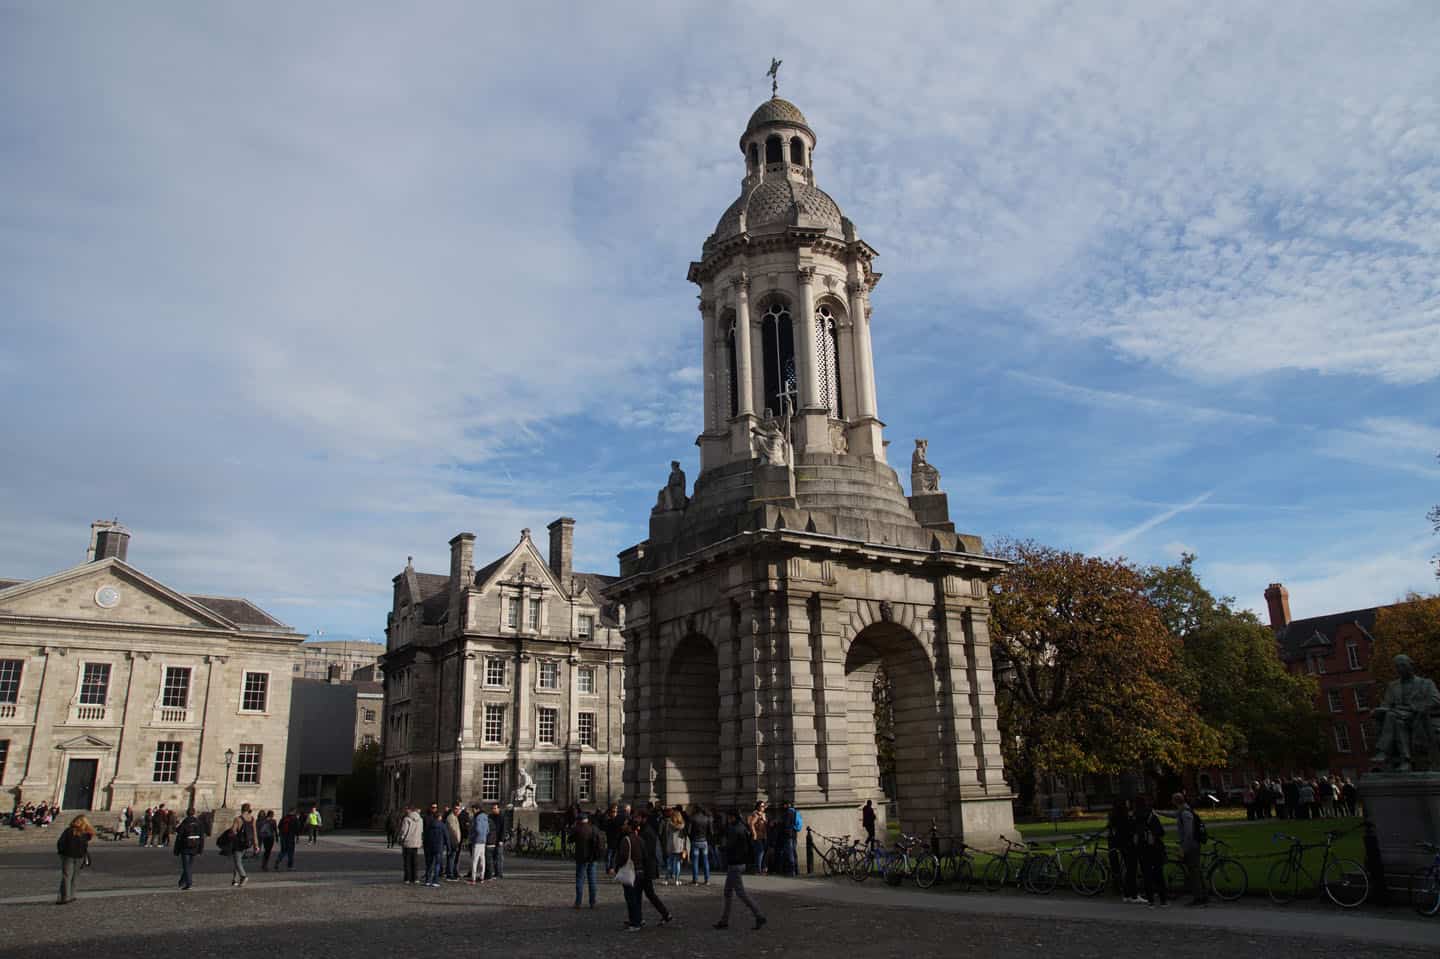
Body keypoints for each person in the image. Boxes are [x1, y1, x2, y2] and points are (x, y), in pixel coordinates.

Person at [714, 808, 766, 930]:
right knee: (728, 891)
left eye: (729, 817)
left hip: (735, 864)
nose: (728, 819)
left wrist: (722, 848)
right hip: (739, 863)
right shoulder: (742, 827)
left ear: (732, 817)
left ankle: (759, 915)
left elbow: (730, 846)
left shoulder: (734, 829)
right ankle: (724, 920)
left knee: (741, 893)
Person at [1167, 792, 1207, 906]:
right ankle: (1203, 895)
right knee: (1196, 871)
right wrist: (1157, 812)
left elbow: (1189, 833)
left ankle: (1198, 897)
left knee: (1194, 872)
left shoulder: (1185, 813)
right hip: (1192, 845)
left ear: (1175, 801)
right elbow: (1172, 815)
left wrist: (1183, 848)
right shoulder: (1183, 811)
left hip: (1191, 846)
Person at [1133, 796, 1167, 907]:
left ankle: (1151, 900)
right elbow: (1160, 832)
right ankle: (1163, 900)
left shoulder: (1134, 817)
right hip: (1154, 848)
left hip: (1142, 848)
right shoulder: (1151, 816)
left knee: (1146, 875)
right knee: (1158, 873)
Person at [55, 814, 95, 904]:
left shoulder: (69, 831)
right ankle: (72, 895)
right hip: (80, 856)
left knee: (67, 876)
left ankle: (65, 897)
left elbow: (60, 842)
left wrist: (61, 852)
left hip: (68, 856)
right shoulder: (86, 833)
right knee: (74, 876)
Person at [1107, 799, 1138, 902]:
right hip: (1127, 845)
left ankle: (1126, 893)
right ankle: (1132, 894)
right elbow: (1130, 830)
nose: (1129, 804)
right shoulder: (1123, 818)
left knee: (1123, 869)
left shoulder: (1114, 816)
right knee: (1130, 870)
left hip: (1119, 845)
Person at [571, 809, 601, 908]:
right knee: (592, 880)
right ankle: (592, 902)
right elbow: (599, 843)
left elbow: (569, 840)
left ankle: (578, 902)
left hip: (581, 858)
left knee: (580, 880)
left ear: (579, 820)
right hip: (592, 857)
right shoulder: (594, 828)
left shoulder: (577, 829)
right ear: (587, 819)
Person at [174, 808, 204, 891]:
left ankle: (189, 883)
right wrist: (200, 849)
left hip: (185, 846)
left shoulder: (185, 822)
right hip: (195, 846)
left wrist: (176, 850)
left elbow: (179, 836)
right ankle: (181, 882)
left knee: (186, 866)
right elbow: (202, 837)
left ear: (187, 813)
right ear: (194, 813)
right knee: (189, 865)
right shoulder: (199, 823)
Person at [422, 803, 449, 887]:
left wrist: (425, 845)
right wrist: (449, 847)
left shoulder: (429, 825)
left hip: (430, 847)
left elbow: (425, 836)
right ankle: (435, 881)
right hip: (439, 847)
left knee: (429, 864)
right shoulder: (442, 825)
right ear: (439, 817)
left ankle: (427, 880)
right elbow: (447, 837)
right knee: (437, 864)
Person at [662, 808, 687, 885]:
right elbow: (684, 836)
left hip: (670, 845)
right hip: (679, 846)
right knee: (678, 864)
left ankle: (666, 880)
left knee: (669, 863)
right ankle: (677, 880)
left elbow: (666, 834)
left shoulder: (669, 823)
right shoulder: (682, 825)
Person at [398, 805, 423, 884]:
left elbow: (404, 831)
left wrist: (401, 839)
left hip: (407, 842)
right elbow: (421, 831)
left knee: (407, 861)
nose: (405, 811)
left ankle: (407, 878)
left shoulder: (406, 819)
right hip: (416, 842)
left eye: (406, 809)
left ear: (409, 810)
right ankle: (415, 878)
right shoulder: (420, 819)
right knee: (415, 861)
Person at [688, 804, 712, 885]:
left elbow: (689, 831)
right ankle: (707, 880)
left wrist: (691, 838)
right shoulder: (707, 818)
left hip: (695, 840)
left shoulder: (693, 818)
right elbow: (711, 832)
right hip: (704, 841)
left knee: (695, 861)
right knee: (706, 861)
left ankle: (695, 880)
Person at [468, 803, 490, 884]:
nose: (472, 811)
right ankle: (481, 877)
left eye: (473, 809)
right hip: (483, 840)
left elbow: (477, 829)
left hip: (477, 841)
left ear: (477, 809)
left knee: (474, 860)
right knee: (482, 860)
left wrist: (472, 837)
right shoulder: (485, 817)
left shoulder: (477, 817)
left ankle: (473, 879)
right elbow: (488, 830)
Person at [486, 803, 506, 880]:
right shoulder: (490, 816)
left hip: (498, 839)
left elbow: (503, 829)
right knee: (494, 857)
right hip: (492, 839)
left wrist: (501, 840)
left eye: (495, 808)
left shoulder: (502, 817)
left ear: (499, 809)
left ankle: (499, 873)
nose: (493, 810)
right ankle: (496, 872)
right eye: (493, 808)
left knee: (499, 857)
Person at [748, 801, 768, 875]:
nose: (762, 807)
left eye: (763, 806)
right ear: (758, 807)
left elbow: (766, 824)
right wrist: (754, 834)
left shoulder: (763, 815)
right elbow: (751, 824)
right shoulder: (756, 814)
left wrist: (764, 819)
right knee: (760, 852)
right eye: (761, 806)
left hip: (764, 836)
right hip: (758, 836)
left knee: (763, 852)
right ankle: (758, 869)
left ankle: (763, 868)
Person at [444, 803, 463, 881]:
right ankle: (450, 874)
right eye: (456, 808)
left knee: (452, 857)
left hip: (454, 840)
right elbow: (453, 831)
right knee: (451, 858)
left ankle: (450, 873)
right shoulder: (451, 817)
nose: (458, 810)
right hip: (453, 841)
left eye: (458, 809)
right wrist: (456, 841)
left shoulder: (455, 817)